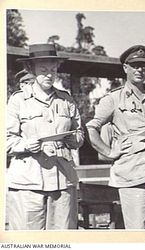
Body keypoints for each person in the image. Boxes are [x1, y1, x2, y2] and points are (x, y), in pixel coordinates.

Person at [86, 45, 145, 229]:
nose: (140, 70)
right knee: (137, 229)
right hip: (133, 172)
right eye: (135, 66)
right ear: (125, 68)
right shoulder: (113, 99)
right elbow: (91, 127)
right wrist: (109, 152)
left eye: (143, 66)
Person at [6, 44, 84, 230]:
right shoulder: (18, 100)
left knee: (63, 237)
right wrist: (25, 145)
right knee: (27, 240)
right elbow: (6, 139)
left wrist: (75, 140)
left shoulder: (66, 100)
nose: (49, 74)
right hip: (28, 182)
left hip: (62, 180)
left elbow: (79, 133)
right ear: (31, 70)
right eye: (43, 70)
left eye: (53, 70)